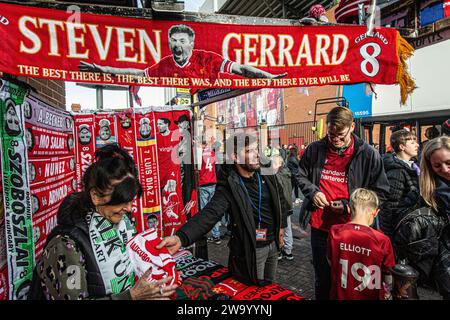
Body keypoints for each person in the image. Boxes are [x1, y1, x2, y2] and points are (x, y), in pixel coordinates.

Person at [28, 144, 178, 300]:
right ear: (96, 197)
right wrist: (131, 296)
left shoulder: (118, 223)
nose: (129, 208)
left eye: (130, 200)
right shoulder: (66, 245)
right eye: (122, 201)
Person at [157, 133, 288, 285]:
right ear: (236, 157)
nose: (257, 155)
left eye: (256, 149)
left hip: (273, 244)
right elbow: (210, 213)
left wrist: (281, 228)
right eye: (249, 151)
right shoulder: (229, 184)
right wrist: (181, 237)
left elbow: (280, 199)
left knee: (270, 285)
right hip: (252, 249)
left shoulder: (265, 171)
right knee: (253, 287)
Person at [295, 106, 389, 300]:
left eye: (340, 135)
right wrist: (313, 192)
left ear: (352, 127)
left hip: (353, 230)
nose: (335, 139)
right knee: (323, 278)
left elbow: (381, 192)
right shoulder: (315, 149)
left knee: (349, 282)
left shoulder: (368, 154)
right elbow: (300, 174)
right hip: (321, 227)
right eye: (331, 134)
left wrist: (348, 205)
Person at [79, 24, 286, 82]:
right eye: (174, 41)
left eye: (182, 41)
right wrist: (100, 68)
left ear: (191, 43)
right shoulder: (165, 63)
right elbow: (138, 73)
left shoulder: (207, 58)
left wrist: (268, 76)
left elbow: (241, 69)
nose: (177, 45)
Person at [327, 188, 395, 300]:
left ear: (349, 208)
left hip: (340, 295)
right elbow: (388, 276)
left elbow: (331, 261)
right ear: (376, 212)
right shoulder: (382, 240)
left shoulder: (335, 231)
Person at [380, 129, 420, 239]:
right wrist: (389, 235)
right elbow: (390, 206)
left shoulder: (413, 166)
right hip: (400, 228)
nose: (417, 145)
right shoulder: (397, 171)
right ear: (402, 147)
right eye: (412, 143)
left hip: (409, 223)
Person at [272, 155, 294, 261]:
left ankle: (279, 250)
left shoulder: (277, 176)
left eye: (274, 164)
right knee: (288, 228)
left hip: (281, 206)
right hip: (288, 205)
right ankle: (288, 250)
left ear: (279, 164)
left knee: (279, 228)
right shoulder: (287, 173)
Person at [198, 140, 220, 245]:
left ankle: (204, 233)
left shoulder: (199, 152)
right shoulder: (211, 152)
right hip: (213, 182)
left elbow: (198, 169)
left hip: (203, 183)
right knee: (213, 210)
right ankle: (216, 235)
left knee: (204, 212)